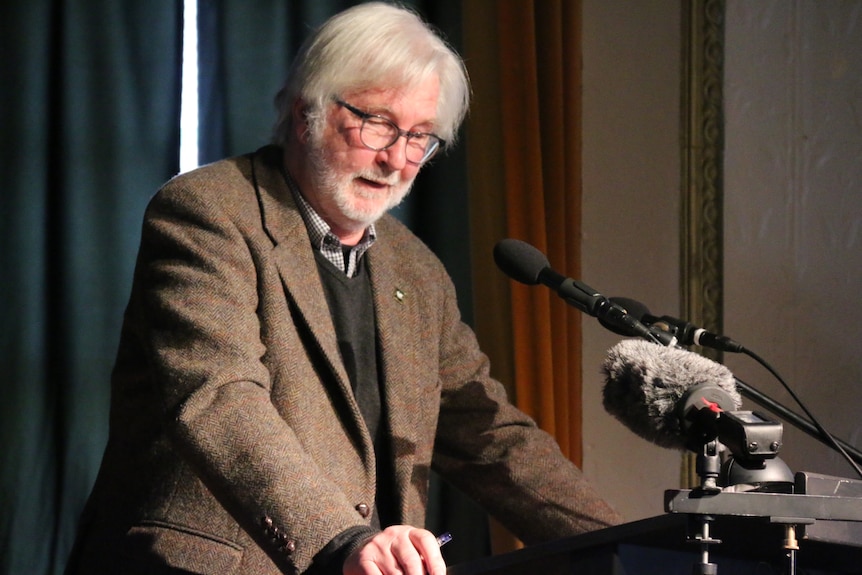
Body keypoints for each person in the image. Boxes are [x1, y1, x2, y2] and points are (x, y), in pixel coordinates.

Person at [65, 3, 621, 574]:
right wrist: (341, 540)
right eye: (377, 123)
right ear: (308, 107)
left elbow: (491, 435)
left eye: (419, 138)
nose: (394, 159)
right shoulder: (208, 213)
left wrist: (632, 548)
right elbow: (220, 398)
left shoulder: (416, 270)